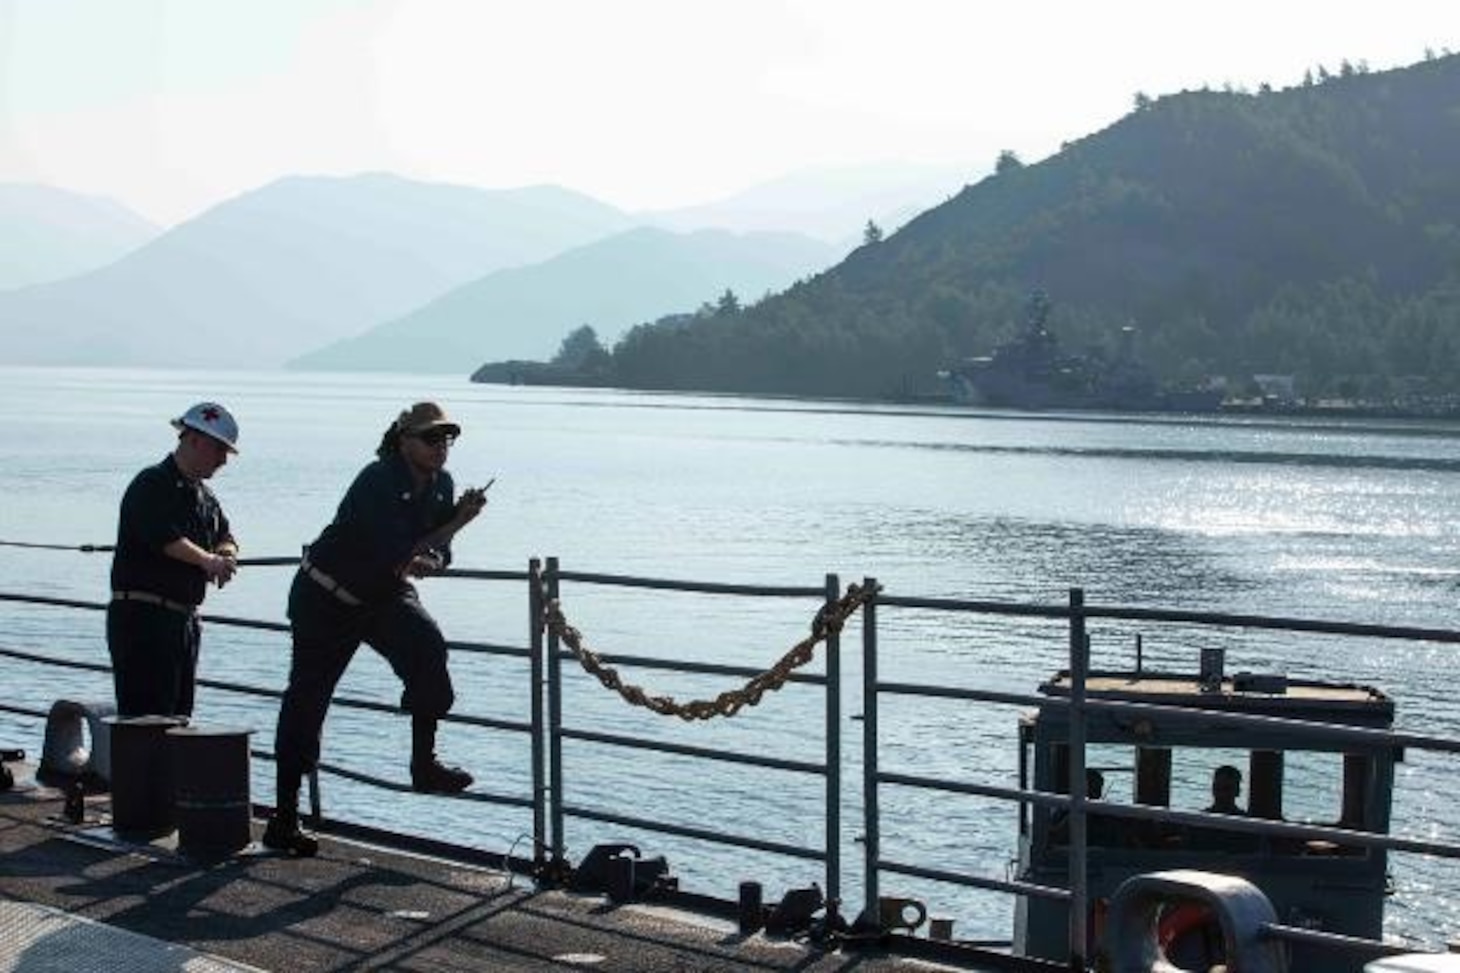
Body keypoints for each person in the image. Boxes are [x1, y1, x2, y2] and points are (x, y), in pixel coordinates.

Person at [263, 402, 488, 856]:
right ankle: (284, 818)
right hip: (327, 595)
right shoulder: (377, 479)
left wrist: (440, 551)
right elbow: (402, 550)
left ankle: (424, 764)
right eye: (430, 438)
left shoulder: (442, 485)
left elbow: (435, 550)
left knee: (428, 650)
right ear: (404, 440)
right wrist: (455, 526)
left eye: (447, 439)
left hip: (382, 594)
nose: (440, 447)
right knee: (308, 699)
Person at [107, 402, 240, 718]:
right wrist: (207, 561)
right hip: (144, 620)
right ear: (193, 440)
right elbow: (163, 536)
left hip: (182, 622)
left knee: (178, 716)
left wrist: (225, 555)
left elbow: (227, 535)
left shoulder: (205, 498)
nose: (223, 460)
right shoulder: (151, 484)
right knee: (145, 718)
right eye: (218, 450)